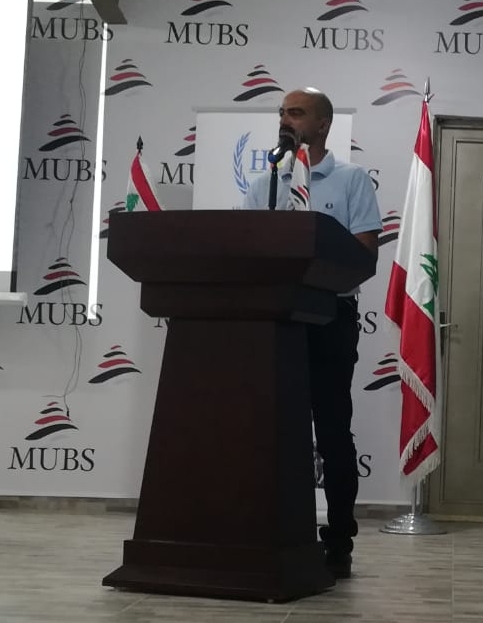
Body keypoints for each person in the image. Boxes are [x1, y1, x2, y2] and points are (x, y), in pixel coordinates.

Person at [243, 88, 382, 580]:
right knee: (274, 429)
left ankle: (339, 541)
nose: (286, 119)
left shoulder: (351, 180)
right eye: (282, 112)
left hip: (327, 318)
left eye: (297, 113)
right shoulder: (266, 184)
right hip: (275, 321)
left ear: (322, 124)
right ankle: (273, 529)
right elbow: (244, 248)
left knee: (332, 430)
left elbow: (364, 253)